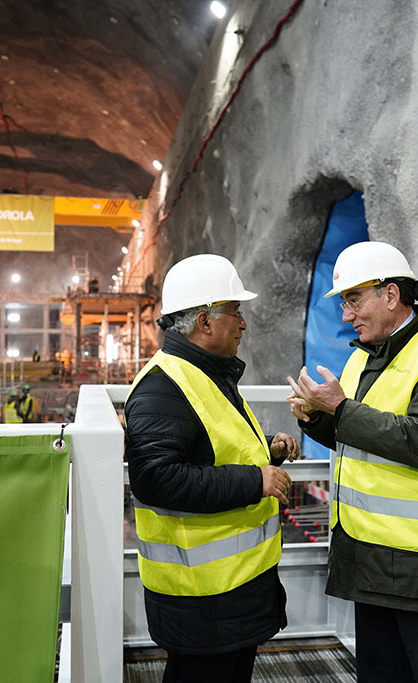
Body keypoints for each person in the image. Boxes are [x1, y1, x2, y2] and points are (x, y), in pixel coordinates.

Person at [286, 241, 418, 683]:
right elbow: (356, 434)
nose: (346, 315)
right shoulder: (365, 355)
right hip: (371, 561)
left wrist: (340, 410)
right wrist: (316, 417)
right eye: (344, 302)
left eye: (353, 299)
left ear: (391, 295)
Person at [125, 253, 300, 683]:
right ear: (205, 321)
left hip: (231, 589)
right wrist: (255, 479)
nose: (243, 324)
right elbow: (156, 479)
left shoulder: (203, 375)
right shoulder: (163, 388)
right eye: (235, 312)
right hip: (202, 597)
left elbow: (212, 451)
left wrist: (268, 455)